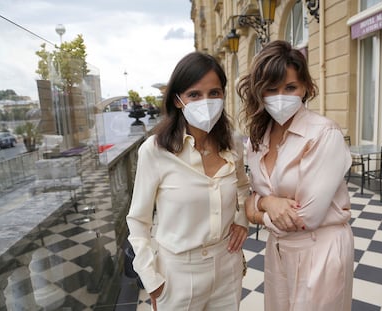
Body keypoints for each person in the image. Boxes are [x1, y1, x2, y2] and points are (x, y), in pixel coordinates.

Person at [126, 51, 249, 311]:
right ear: (178, 100)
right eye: (195, 94)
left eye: (214, 93)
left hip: (228, 266)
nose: (206, 101)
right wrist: (151, 279)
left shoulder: (233, 143)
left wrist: (241, 221)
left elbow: (242, 186)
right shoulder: (155, 151)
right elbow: (138, 220)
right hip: (178, 274)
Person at [237, 40, 354, 311]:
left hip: (319, 250)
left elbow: (305, 218)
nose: (281, 97)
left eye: (290, 88)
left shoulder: (324, 134)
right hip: (278, 249)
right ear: (259, 93)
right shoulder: (258, 138)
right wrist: (269, 203)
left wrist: (255, 209)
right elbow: (251, 196)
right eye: (271, 89)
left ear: (305, 88)